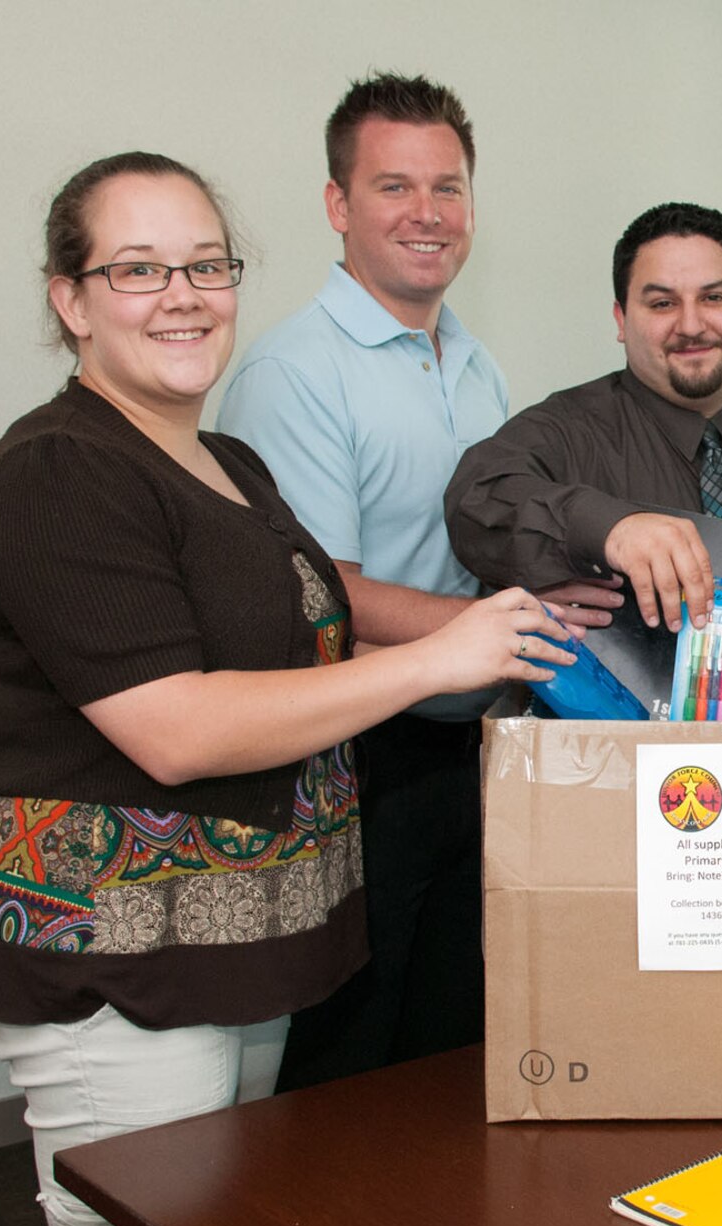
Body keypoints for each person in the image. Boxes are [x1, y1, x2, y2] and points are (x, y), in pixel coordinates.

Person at [0, 153, 566, 1226]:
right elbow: (175, 727)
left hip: (244, 953)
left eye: (205, 263)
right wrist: (435, 661)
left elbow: (306, 624)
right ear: (70, 299)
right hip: (119, 965)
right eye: (136, 268)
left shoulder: (225, 463)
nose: (181, 293)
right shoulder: (54, 473)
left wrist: (496, 634)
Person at [217, 73, 509, 1088]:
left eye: (448, 186)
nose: (426, 213)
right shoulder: (293, 370)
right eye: (394, 186)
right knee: (345, 1058)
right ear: (338, 205)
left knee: (447, 1042)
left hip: (467, 743)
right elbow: (322, 589)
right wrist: (498, 627)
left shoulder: (474, 362)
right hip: (355, 758)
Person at [446, 203, 722, 665]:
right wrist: (611, 529)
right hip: (608, 737)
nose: (690, 325)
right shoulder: (566, 431)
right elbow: (476, 498)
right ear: (622, 320)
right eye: (662, 303)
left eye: (713, 298)